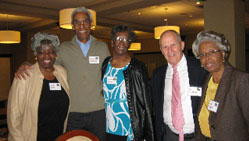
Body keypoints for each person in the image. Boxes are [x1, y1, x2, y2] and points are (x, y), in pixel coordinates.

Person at [14, 7, 110, 140]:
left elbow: (110, 72)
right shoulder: (63, 48)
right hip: (72, 113)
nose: (81, 25)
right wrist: (27, 64)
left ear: (91, 24)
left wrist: (108, 89)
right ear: (72, 26)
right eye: (77, 22)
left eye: (85, 21)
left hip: (98, 111)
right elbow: (47, 62)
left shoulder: (102, 47)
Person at [7, 32, 70, 141]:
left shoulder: (62, 72)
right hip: (32, 137)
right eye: (41, 52)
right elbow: (14, 118)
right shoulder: (25, 76)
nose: (46, 55)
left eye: (50, 51)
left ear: (55, 54)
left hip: (59, 136)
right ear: (36, 55)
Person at [192, 30, 249, 140]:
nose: (207, 57)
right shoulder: (207, 80)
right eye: (202, 55)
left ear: (223, 54)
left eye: (212, 52)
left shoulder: (241, 80)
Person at [151, 30, 207, 141]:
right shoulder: (158, 74)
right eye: (165, 47)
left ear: (182, 45)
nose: (170, 51)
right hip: (169, 136)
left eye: (173, 45)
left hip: (198, 136)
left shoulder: (201, 68)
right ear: (161, 50)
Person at [101, 24, 154, 141]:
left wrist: (140, 131)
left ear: (130, 43)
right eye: (118, 39)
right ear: (112, 42)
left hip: (129, 126)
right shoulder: (106, 64)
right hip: (108, 123)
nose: (121, 43)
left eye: (125, 39)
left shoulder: (137, 67)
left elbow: (145, 101)